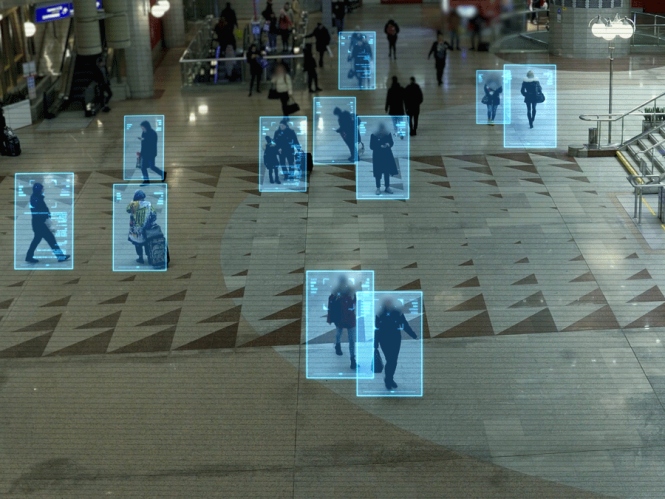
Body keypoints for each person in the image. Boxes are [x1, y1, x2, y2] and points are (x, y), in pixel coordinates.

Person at [374, 297, 418, 390]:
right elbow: (377, 329)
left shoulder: (397, 312)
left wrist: (413, 335)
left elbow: (404, 325)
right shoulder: (379, 313)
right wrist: (375, 344)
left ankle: (389, 379)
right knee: (390, 360)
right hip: (384, 340)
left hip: (395, 340)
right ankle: (388, 380)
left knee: (393, 361)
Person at [24, 183, 70, 264]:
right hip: (41, 224)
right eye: (42, 188)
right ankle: (60, 257)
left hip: (36, 224)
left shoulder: (34, 197)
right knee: (51, 240)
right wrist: (48, 223)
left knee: (37, 240)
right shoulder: (38, 200)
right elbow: (43, 212)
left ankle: (29, 256)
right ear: (39, 190)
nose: (43, 189)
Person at [327, 274, 358, 370]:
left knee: (345, 336)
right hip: (346, 318)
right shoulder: (340, 293)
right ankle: (340, 347)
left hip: (344, 318)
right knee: (348, 338)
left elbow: (331, 305)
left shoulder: (339, 293)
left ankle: (350, 357)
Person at [127, 189, 157, 265]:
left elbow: (128, 210)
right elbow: (154, 214)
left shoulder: (133, 204)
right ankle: (149, 258)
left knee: (138, 245)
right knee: (147, 244)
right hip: (147, 230)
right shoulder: (148, 204)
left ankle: (140, 258)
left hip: (136, 231)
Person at [370, 123, 398, 195]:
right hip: (378, 156)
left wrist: (388, 144)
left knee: (386, 172)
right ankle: (378, 188)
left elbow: (391, 142)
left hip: (386, 155)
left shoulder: (387, 134)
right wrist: (380, 146)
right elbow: (371, 146)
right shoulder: (373, 135)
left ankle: (387, 187)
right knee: (378, 173)